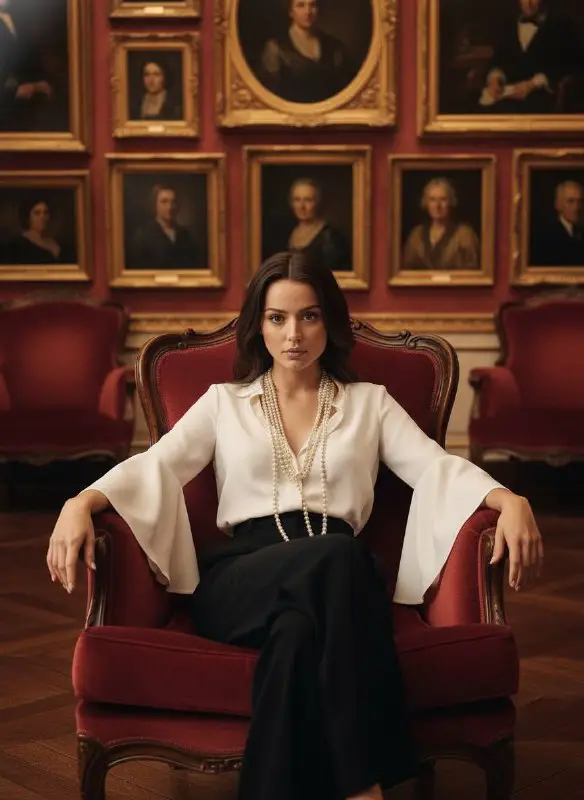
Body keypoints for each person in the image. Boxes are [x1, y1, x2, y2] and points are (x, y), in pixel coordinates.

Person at [46, 251, 544, 800]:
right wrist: (81, 500)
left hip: (336, 585)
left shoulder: (369, 405)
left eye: (309, 316)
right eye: (277, 318)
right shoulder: (224, 404)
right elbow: (157, 464)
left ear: (328, 321)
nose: (294, 334)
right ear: (258, 325)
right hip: (242, 579)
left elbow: (434, 466)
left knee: (296, 636)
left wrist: (509, 497)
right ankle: (365, 784)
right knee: (344, 558)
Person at [478, 0, 584, 114]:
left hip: (543, 99)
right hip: (506, 97)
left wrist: (533, 84)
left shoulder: (562, 26)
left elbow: (573, 66)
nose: (528, 3)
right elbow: (498, 59)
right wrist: (495, 77)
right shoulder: (508, 25)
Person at [257, 0, 356, 103]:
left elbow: (345, 90)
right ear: (290, 11)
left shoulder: (335, 47)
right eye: (300, 5)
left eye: (312, 5)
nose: (308, 12)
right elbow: (269, 95)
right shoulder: (276, 48)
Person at [403, 177, 480, 271]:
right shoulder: (416, 235)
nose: (437, 206)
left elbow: (474, 272)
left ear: (451, 202)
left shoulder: (465, 235)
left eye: (443, 199)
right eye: (432, 200)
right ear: (426, 203)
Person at [0, 0, 54, 131]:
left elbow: (30, 57)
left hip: (26, 108)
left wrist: (40, 83)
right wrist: (12, 92)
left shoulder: (19, 17)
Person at [286, 177, 351, 271]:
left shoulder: (331, 237)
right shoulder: (287, 232)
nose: (301, 206)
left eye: (308, 200)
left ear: (318, 202)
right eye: (297, 199)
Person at [129, 183, 198, 271]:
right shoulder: (143, 236)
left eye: (173, 202)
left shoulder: (186, 235)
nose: (170, 207)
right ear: (154, 205)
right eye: (164, 202)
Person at [531, 180, 584, 267]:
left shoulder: (580, 232)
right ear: (558, 205)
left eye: (580, 201)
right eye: (570, 201)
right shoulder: (545, 236)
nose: (576, 207)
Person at [5, 197, 64, 264]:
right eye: (37, 213)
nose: (42, 217)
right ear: (27, 218)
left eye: (45, 213)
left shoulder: (54, 243)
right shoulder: (18, 245)